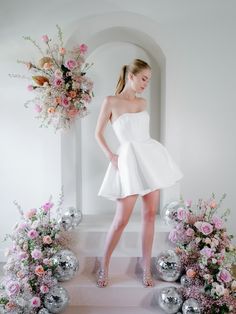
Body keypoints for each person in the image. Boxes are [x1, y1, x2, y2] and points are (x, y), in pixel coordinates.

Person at [94, 58, 183, 288]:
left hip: (149, 159)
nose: (146, 83)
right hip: (128, 161)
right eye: (143, 78)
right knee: (121, 219)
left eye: (148, 80)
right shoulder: (110, 101)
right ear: (130, 76)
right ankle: (104, 264)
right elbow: (98, 134)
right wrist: (111, 156)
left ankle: (145, 268)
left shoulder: (143, 103)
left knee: (149, 214)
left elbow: (143, 136)